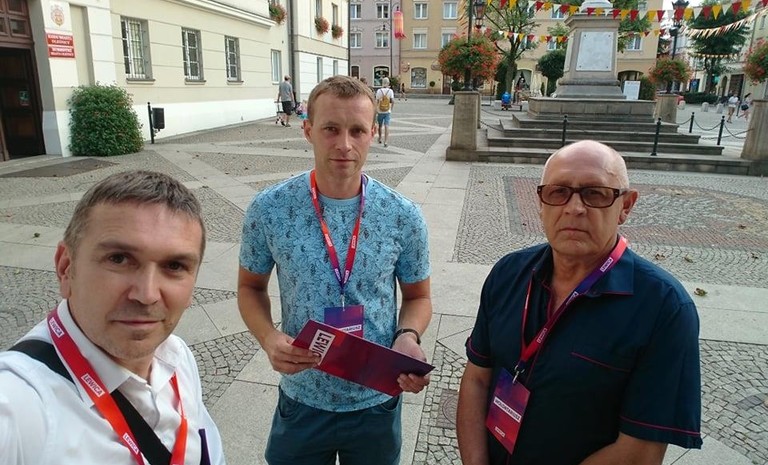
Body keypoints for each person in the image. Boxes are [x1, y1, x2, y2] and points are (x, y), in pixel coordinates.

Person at [457, 140, 702, 465]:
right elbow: (477, 378)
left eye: (595, 194)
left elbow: (639, 452)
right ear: (541, 202)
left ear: (626, 206)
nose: (574, 208)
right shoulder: (508, 273)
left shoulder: (665, 309)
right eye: (558, 192)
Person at [238, 75, 432, 465]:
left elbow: (418, 296)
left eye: (357, 130)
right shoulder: (270, 209)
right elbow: (250, 288)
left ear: (373, 133)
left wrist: (408, 335)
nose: (344, 144)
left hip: (375, 399)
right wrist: (269, 337)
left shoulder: (403, 216)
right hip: (302, 396)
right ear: (308, 130)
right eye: (330, 129)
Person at [0, 170, 225, 465]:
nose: (147, 294)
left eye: (174, 265)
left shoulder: (178, 358)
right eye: (119, 259)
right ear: (66, 268)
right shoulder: (16, 408)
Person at [375, 77, 395, 147]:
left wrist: (376, 110)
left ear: (382, 83)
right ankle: (386, 141)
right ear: (388, 83)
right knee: (387, 126)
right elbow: (393, 101)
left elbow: (377, 101)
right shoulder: (390, 91)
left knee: (380, 126)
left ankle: (380, 138)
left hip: (380, 111)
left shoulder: (379, 91)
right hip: (387, 111)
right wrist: (391, 109)